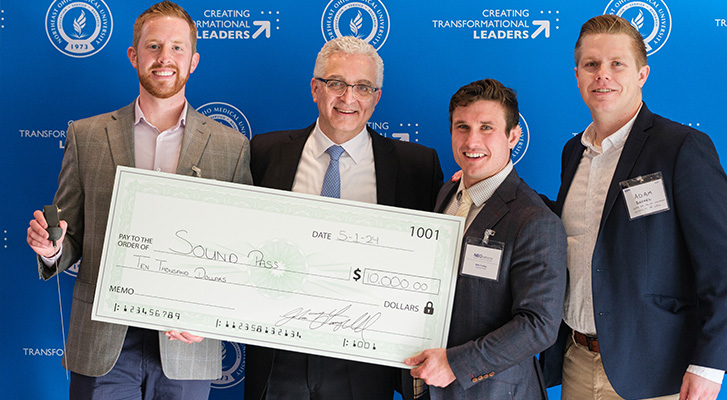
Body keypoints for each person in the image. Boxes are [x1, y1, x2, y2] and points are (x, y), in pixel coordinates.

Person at [26, 1, 252, 398]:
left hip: (186, 345)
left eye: (177, 48)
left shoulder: (230, 146)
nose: (165, 58)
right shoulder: (87, 136)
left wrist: (213, 314)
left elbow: (241, 250)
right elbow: (70, 237)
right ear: (134, 56)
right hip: (105, 342)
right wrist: (51, 248)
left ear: (194, 60)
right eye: (153, 47)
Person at [539, 14, 727, 400]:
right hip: (578, 362)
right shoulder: (573, 152)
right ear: (578, 74)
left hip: (657, 370)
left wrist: (709, 365)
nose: (603, 74)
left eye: (617, 63)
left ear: (642, 74)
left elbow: (723, 261)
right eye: (591, 64)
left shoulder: (681, 148)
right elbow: (584, 228)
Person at [244, 36, 444, 400]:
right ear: (315, 89)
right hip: (279, 352)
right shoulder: (265, 153)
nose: (348, 98)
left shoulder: (417, 167)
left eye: (363, 87)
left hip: (365, 359)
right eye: (336, 83)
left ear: (376, 96)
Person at [401, 78, 567, 399]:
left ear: (513, 136)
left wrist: (456, 364)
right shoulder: (447, 193)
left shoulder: (534, 219)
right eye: (462, 127)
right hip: (425, 385)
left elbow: (539, 325)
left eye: (487, 127)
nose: (471, 140)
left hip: (491, 390)